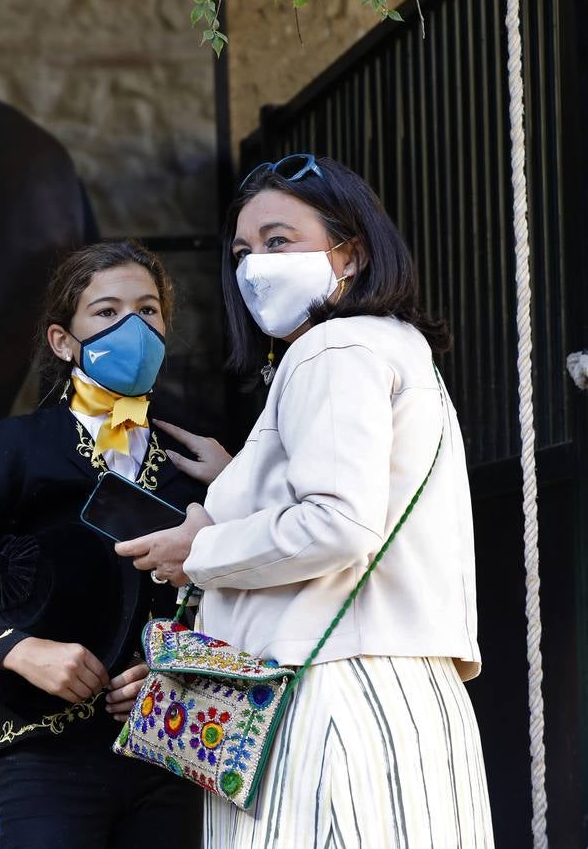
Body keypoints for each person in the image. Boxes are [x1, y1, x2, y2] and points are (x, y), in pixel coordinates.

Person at [114, 154, 491, 847]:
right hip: (398, 690)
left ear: (348, 252)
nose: (255, 264)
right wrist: (236, 482)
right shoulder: (392, 347)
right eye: (242, 251)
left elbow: (336, 526)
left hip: (323, 696)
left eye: (278, 240)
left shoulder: (329, 350)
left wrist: (197, 551)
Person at [0, 241, 206, 848]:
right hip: (50, 757)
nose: (133, 327)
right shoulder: (18, 448)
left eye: (148, 311)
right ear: (62, 341)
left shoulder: (197, 459)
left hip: (173, 750)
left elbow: (242, 603)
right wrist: (20, 650)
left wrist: (177, 672)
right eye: (106, 311)